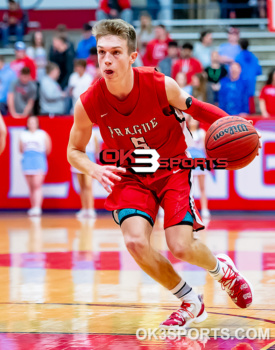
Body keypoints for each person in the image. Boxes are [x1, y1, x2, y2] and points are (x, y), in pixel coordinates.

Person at [67, 19, 257, 329]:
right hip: (129, 175)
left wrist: (238, 126)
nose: (107, 60)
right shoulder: (88, 101)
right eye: (102, 53)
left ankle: (222, 271)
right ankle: (190, 302)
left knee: (180, 245)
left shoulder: (160, 84)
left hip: (172, 169)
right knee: (135, 241)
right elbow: (73, 150)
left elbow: (198, 109)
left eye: (115, 52)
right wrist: (93, 168)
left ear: (133, 56)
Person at [19, 116, 51, 216]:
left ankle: (37, 207)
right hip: (27, 161)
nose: (32, 124)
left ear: (37, 123)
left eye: (34, 122)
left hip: (38, 160)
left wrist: (39, 157)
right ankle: (33, 207)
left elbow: (48, 149)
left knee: (37, 185)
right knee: (31, 186)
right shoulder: (23, 135)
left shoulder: (42, 134)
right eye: (30, 122)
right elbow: (20, 149)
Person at [71, 132, 100, 219]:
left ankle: (91, 209)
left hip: (89, 159)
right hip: (78, 159)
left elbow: (97, 150)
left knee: (88, 185)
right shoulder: (75, 132)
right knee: (82, 186)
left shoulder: (94, 134)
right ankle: (84, 209)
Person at [187, 116, 210, 219]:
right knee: (188, 188)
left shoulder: (202, 133)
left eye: (195, 119)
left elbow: (205, 149)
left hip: (200, 161)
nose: (193, 122)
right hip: (188, 162)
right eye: (191, 119)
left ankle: (205, 209)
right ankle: (189, 209)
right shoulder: (185, 133)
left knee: (202, 187)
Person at [235, 39, 262, 114]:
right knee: (251, 111)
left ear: (240, 46)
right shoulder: (254, 57)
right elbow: (259, 71)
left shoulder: (238, 57)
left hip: (241, 85)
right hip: (251, 84)